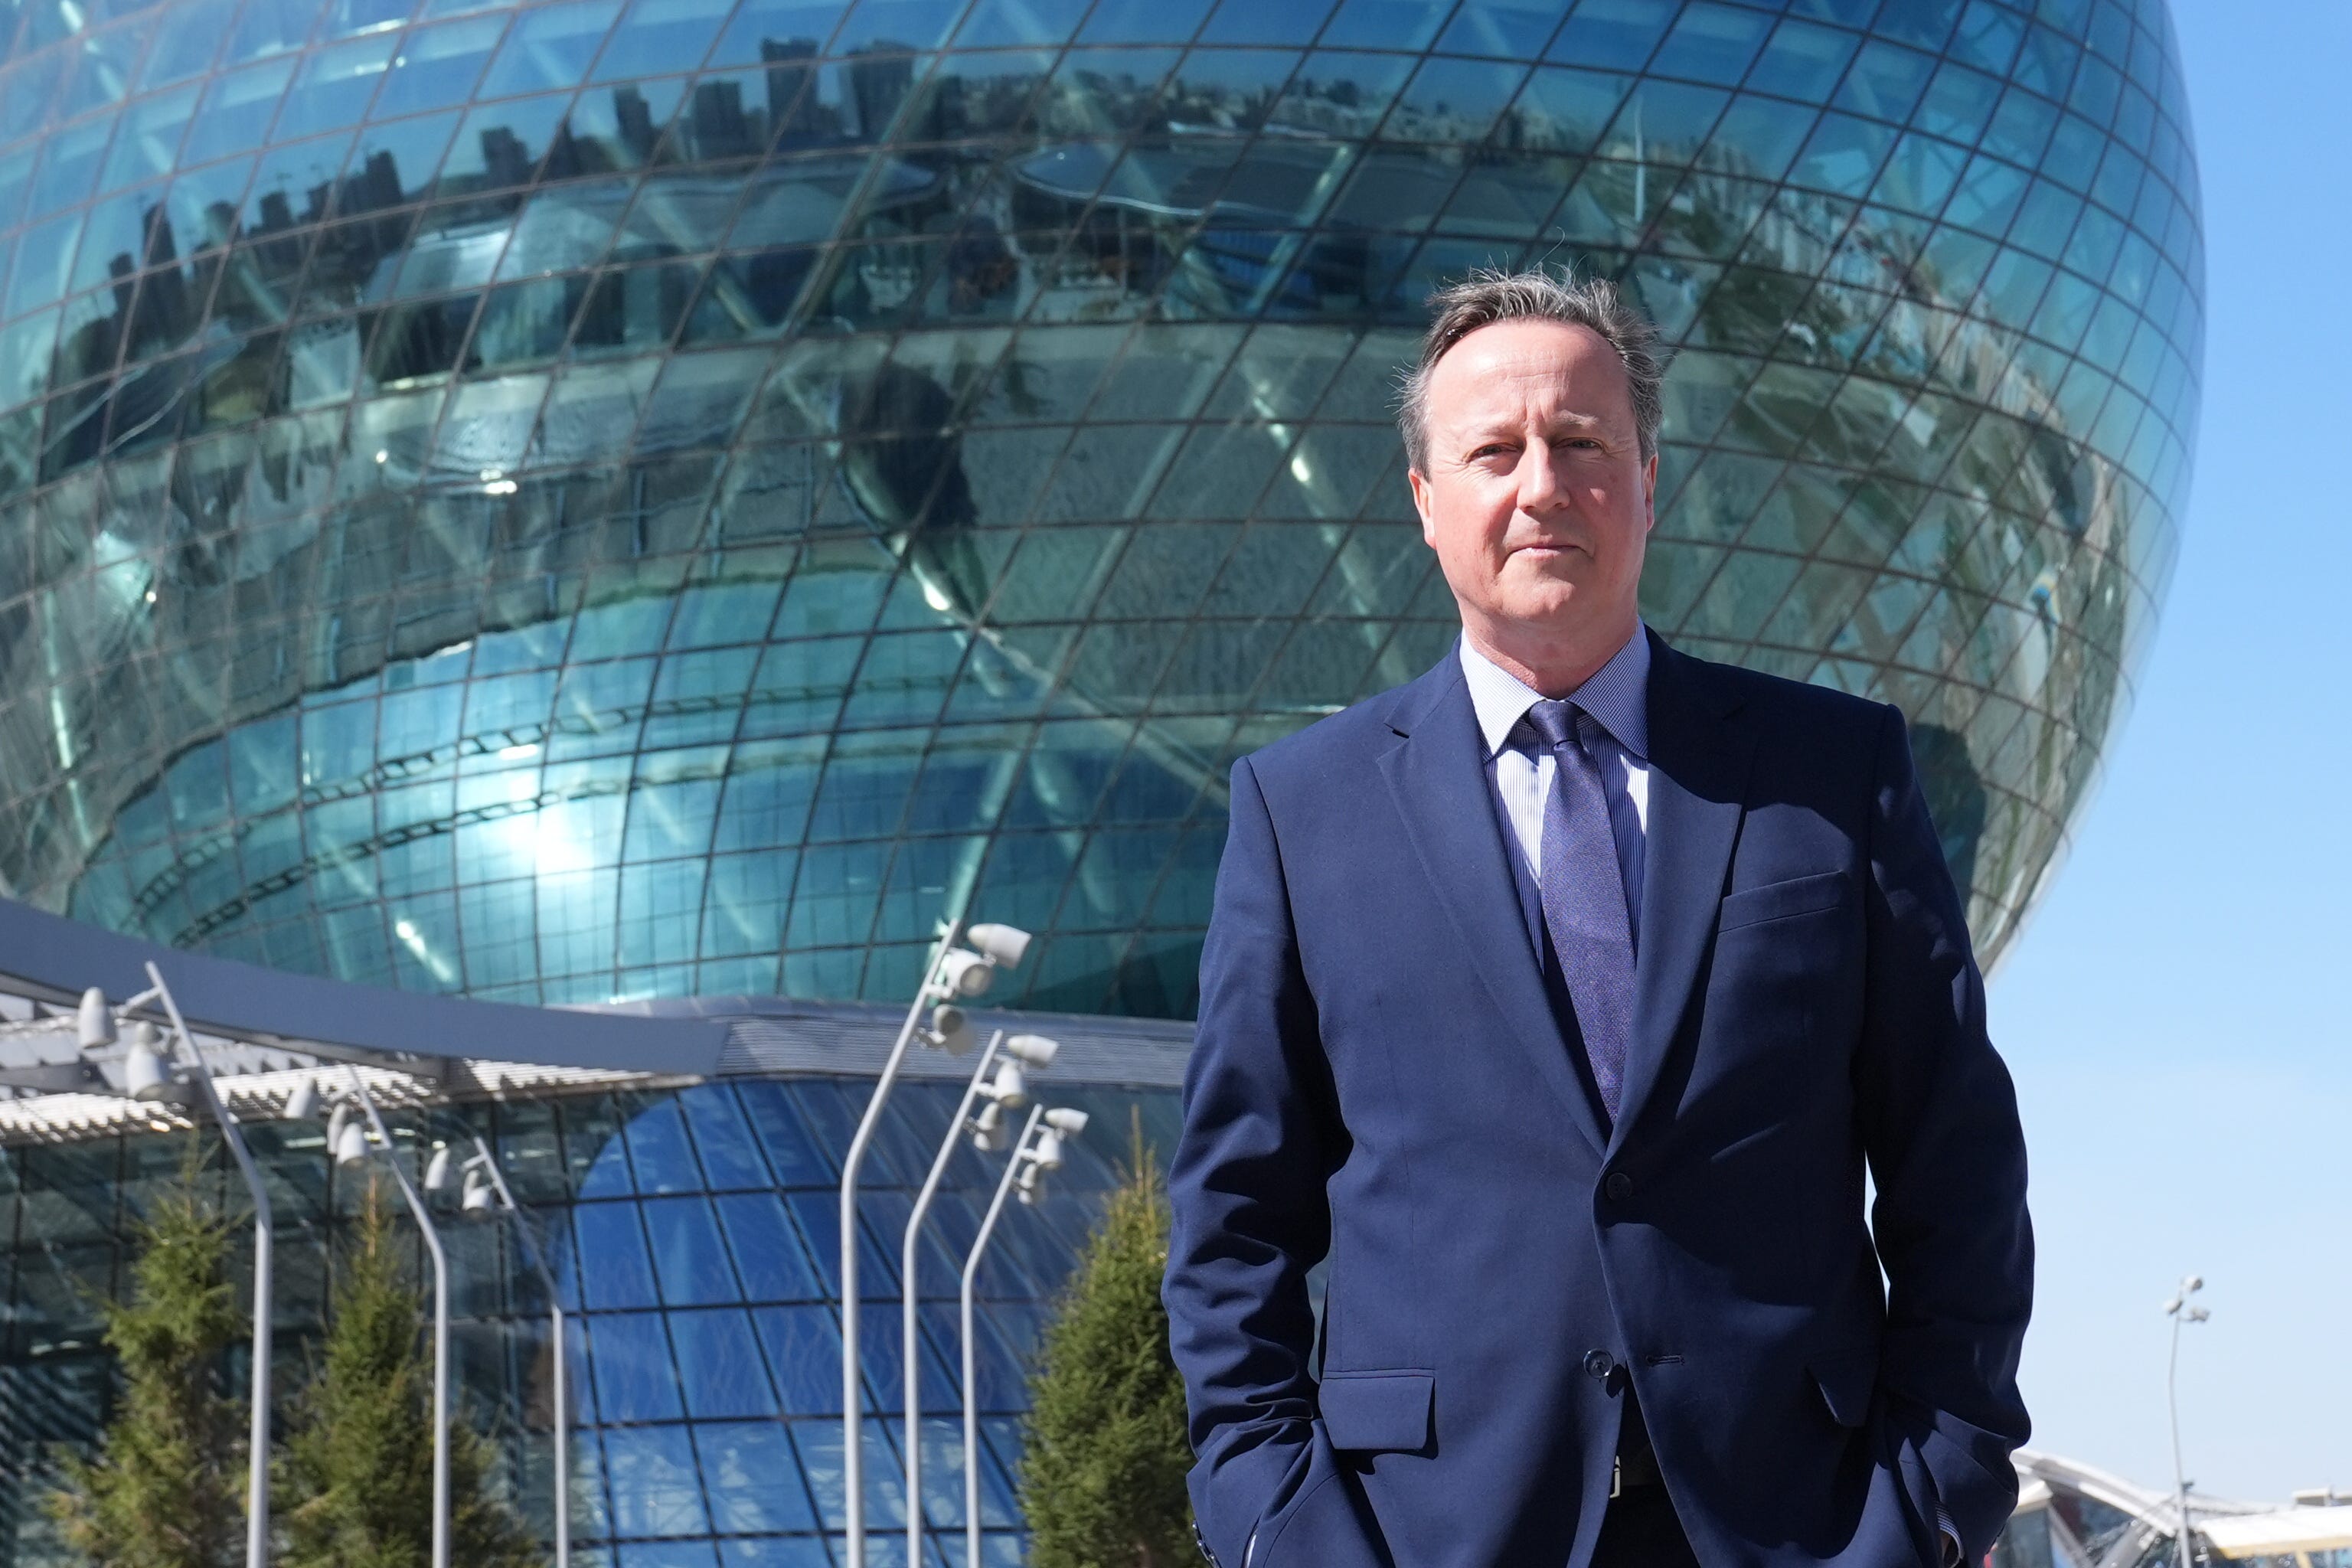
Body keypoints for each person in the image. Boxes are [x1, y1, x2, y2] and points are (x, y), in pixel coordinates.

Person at [1162, 270, 2032, 1568]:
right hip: (1430, 1533)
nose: (1540, 485)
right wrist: (1281, 1530)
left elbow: (1954, 1163)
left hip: (1801, 1524)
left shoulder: (1834, 774)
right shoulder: (1301, 812)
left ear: (1649, 476)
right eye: (1493, 451)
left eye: (1581, 443)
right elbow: (1236, 1222)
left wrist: (1935, 1498)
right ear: (1425, 500)